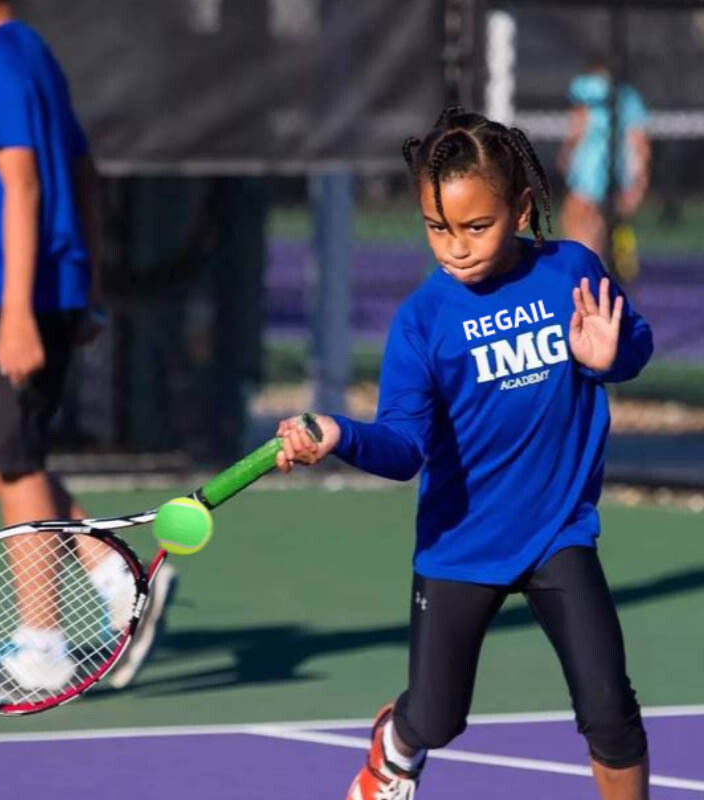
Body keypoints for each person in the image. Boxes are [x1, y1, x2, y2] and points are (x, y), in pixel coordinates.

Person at [276, 107, 654, 800]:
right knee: (439, 718)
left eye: (475, 226)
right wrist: (339, 434)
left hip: (559, 534)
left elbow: (633, 344)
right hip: (459, 548)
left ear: (520, 209)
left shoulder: (572, 268)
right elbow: (404, 448)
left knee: (611, 712)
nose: (454, 246)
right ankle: (398, 742)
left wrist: (613, 355)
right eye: (436, 227)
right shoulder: (423, 321)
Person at [0, 0, 174, 690]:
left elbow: (24, 186)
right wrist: (83, 284)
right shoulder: (28, 52)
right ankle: (112, 573)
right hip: (32, 289)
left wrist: (18, 313)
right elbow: (85, 175)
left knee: (13, 465)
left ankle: (43, 647)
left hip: (16, 292)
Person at [558, 62, 651, 260]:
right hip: (613, 166)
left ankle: (584, 266)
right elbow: (639, 140)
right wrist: (639, 179)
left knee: (578, 216)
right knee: (592, 220)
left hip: (590, 164)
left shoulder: (588, 87)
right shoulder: (628, 95)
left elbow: (579, 124)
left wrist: (567, 152)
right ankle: (591, 263)